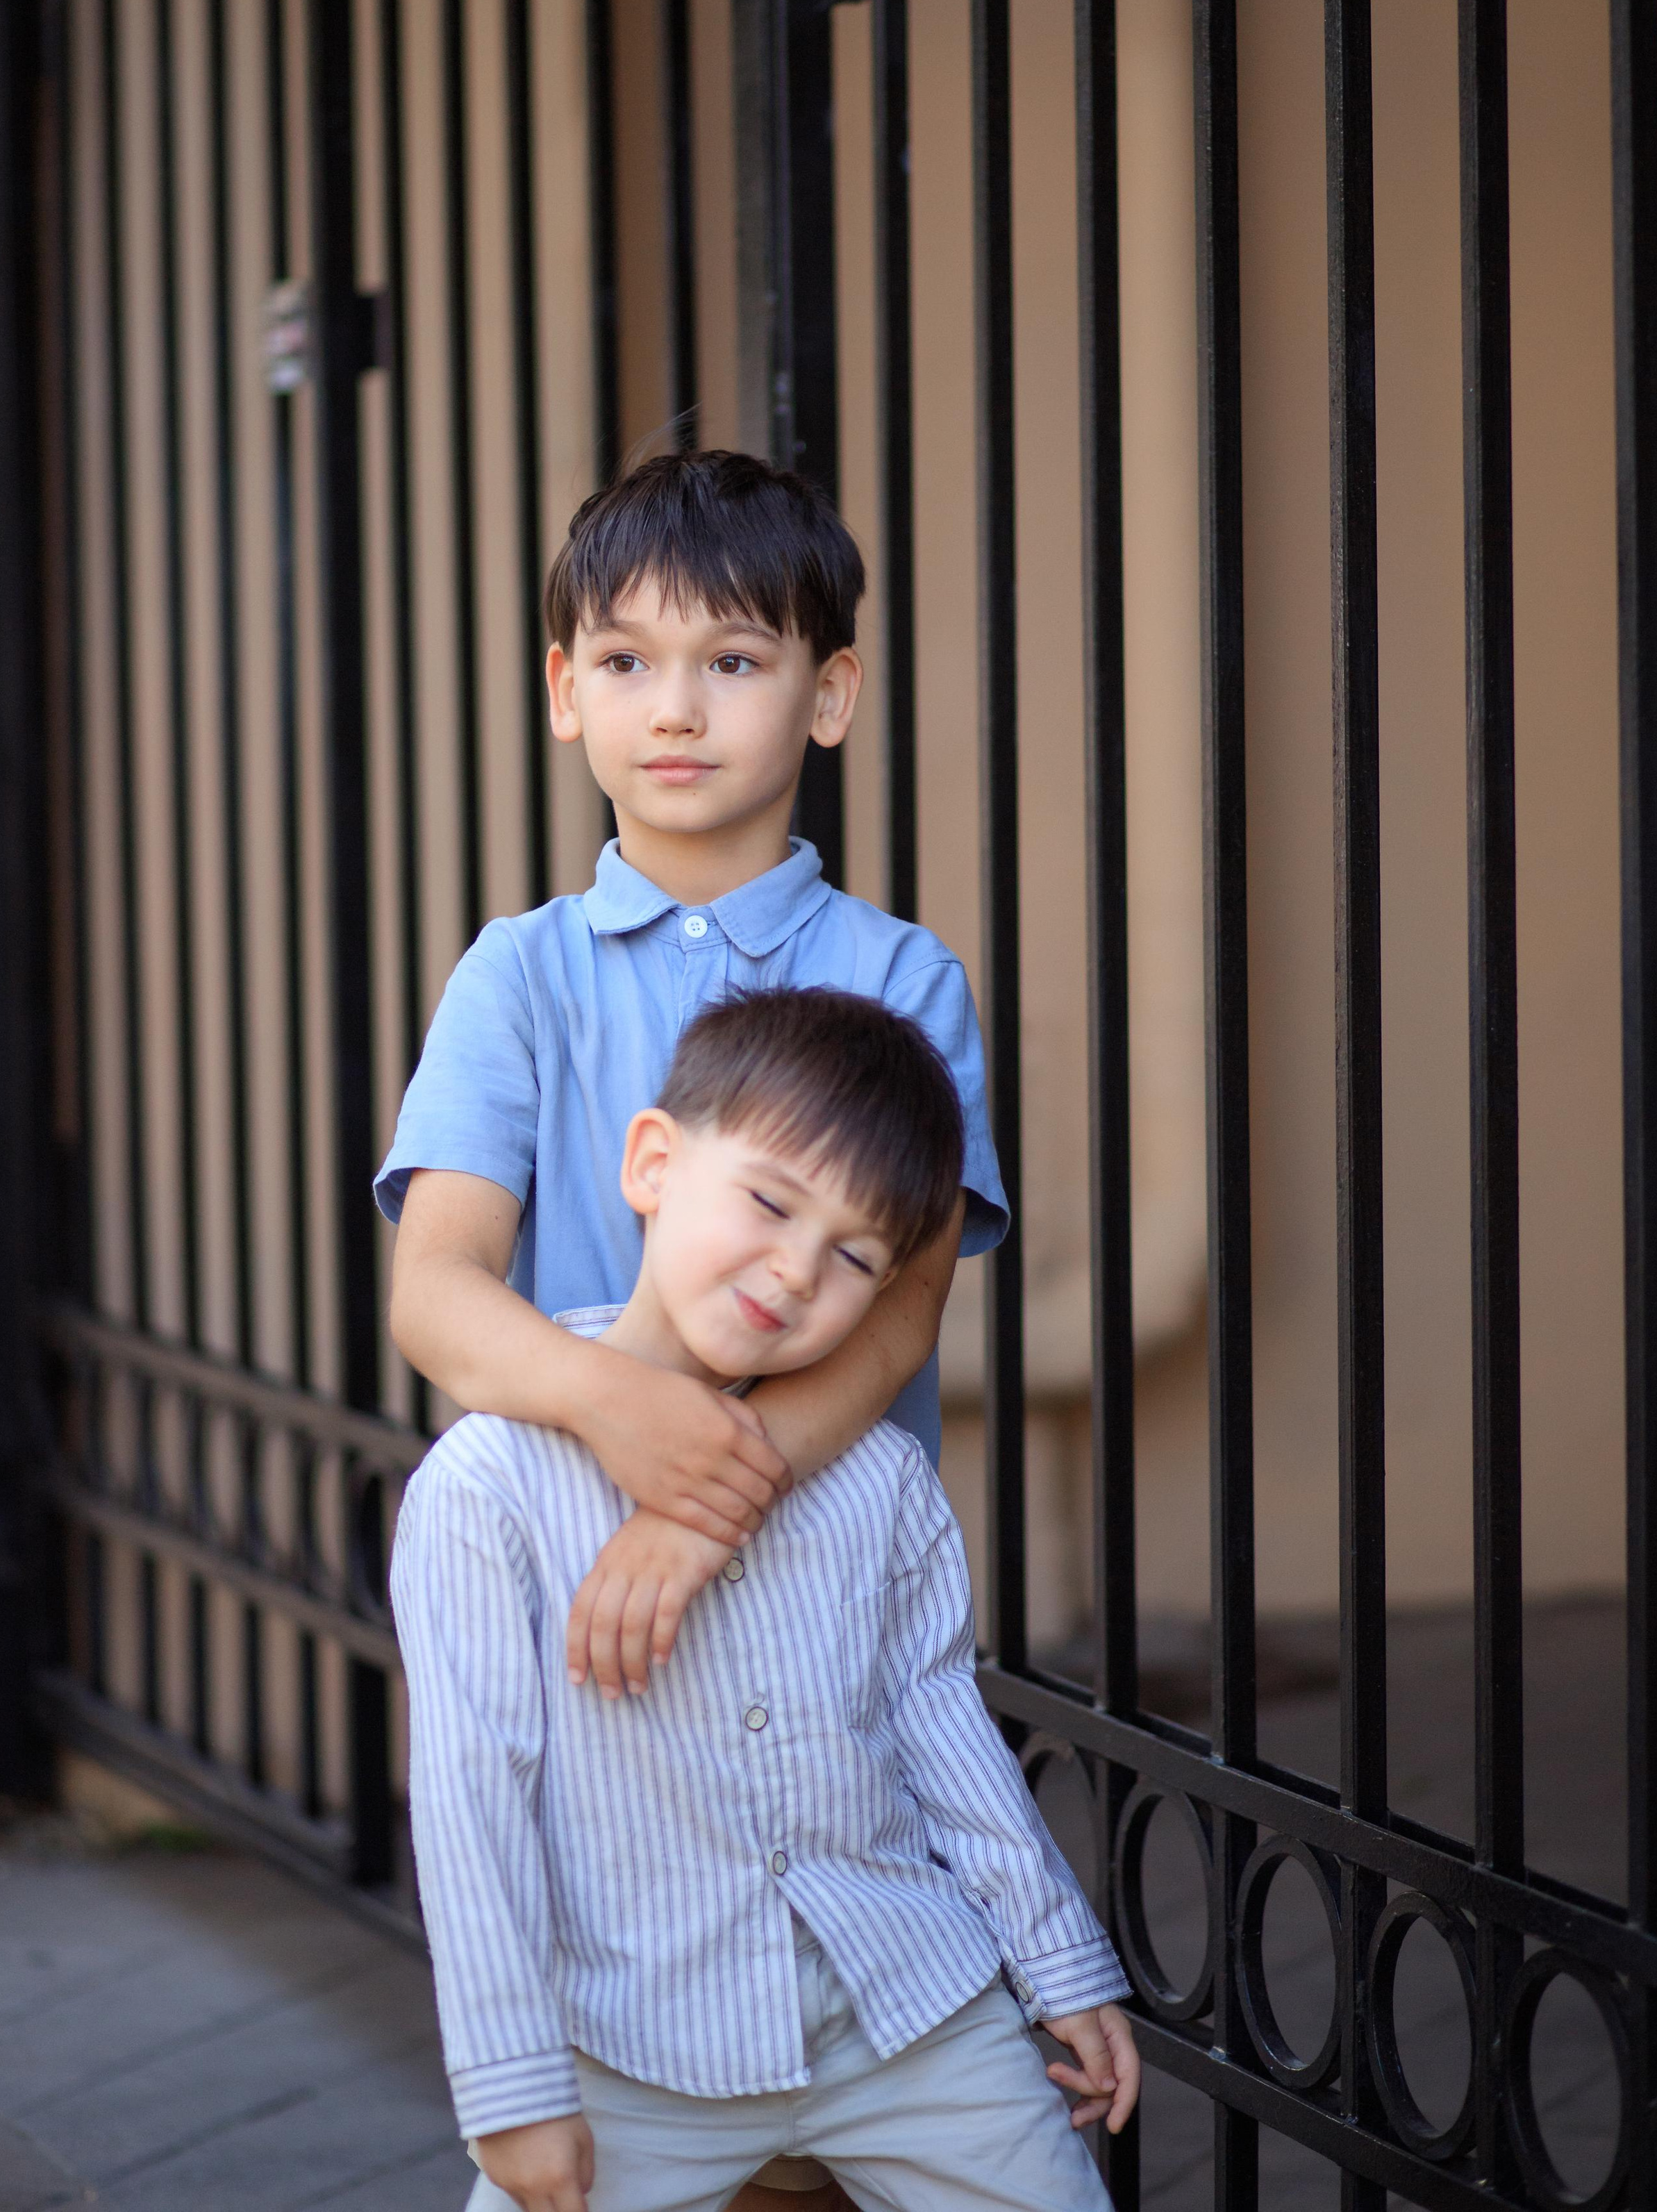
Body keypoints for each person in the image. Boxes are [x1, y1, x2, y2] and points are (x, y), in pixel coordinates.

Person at [392, 989, 1138, 2212]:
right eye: (769, 1202)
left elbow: (940, 1726)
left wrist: (1061, 1963)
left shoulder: (879, 1480)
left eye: (853, 1258)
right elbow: (475, 1808)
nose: (795, 1272)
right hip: (636, 2045)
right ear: (653, 1163)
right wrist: (513, 2090)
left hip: (912, 2017)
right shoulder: (490, 1489)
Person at [378, 451, 1008, 1718]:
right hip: (577, 1563)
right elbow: (437, 1291)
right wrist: (621, 1411)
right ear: (565, 690)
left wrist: (714, 1498)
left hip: (823, 1560)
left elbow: (904, 1308)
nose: (674, 710)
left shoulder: (905, 978)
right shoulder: (519, 975)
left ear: (828, 697)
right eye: (625, 663)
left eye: (731, 662)